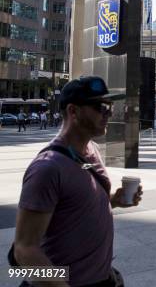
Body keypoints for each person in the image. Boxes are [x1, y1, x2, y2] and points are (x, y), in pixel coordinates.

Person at [12, 76, 143, 286]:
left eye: (110, 107)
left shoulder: (91, 152)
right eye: (101, 107)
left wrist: (112, 200)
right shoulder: (47, 168)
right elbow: (24, 251)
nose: (109, 113)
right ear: (73, 111)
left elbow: (76, 198)